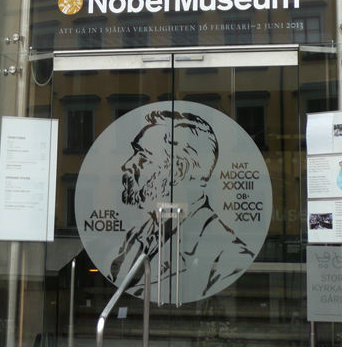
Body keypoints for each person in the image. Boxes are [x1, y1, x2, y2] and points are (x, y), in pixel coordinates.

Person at [106, 108, 255, 302]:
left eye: (142, 156)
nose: (127, 165)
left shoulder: (229, 256)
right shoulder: (138, 235)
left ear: (177, 171)